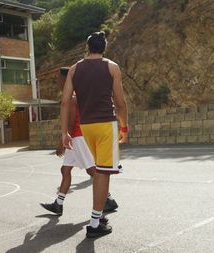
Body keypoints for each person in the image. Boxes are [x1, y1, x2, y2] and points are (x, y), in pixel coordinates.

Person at [60, 31, 129, 238]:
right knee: (103, 173)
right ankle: (94, 222)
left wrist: (64, 132)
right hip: (106, 124)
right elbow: (120, 103)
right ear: (104, 48)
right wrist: (124, 127)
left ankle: (96, 217)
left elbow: (64, 102)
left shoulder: (74, 69)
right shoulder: (112, 67)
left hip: (86, 127)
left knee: (98, 171)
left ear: (87, 47)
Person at [40, 67, 118, 216]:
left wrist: (61, 143)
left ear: (65, 79)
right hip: (75, 137)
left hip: (78, 137)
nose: (57, 81)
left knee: (92, 171)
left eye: (58, 78)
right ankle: (58, 204)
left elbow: (70, 123)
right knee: (65, 169)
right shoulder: (74, 95)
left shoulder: (72, 98)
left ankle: (107, 200)